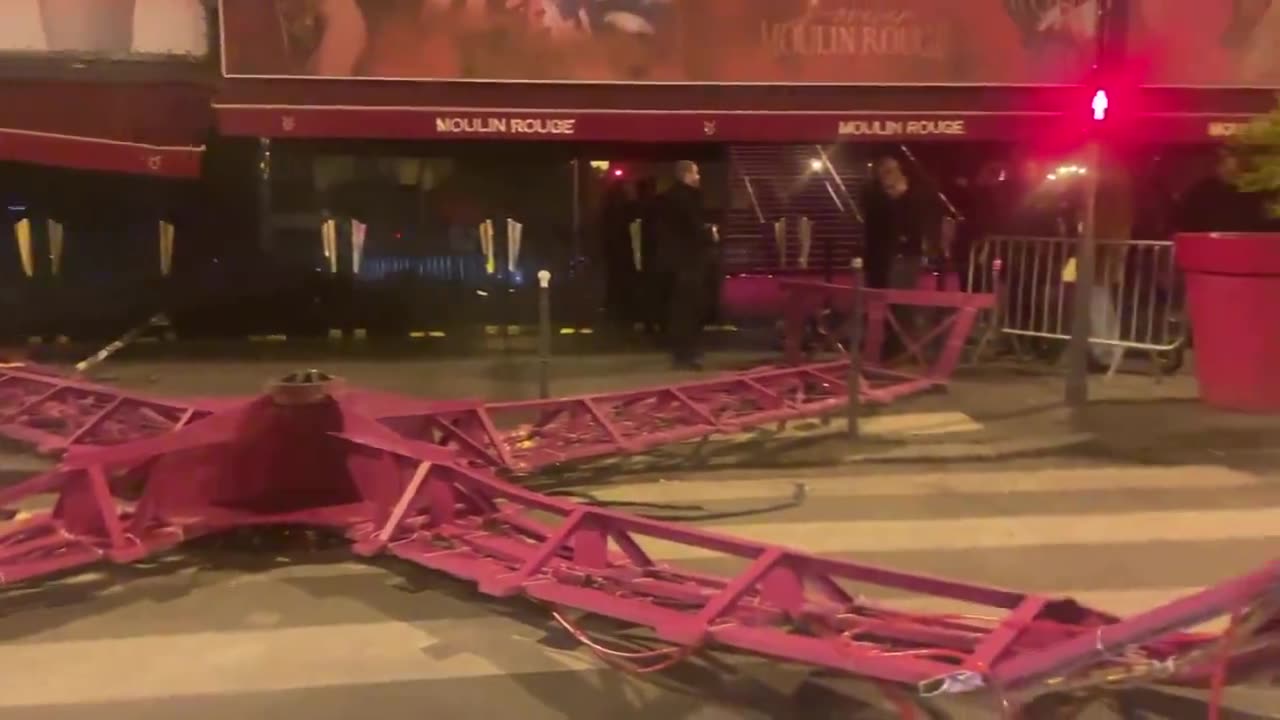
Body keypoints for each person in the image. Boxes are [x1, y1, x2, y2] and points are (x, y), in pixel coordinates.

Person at [656, 161, 715, 370]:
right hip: (689, 262)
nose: (699, 177)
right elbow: (693, 228)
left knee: (679, 309)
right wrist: (710, 233)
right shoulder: (687, 198)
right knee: (691, 308)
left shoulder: (667, 198)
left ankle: (679, 353)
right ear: (687, 175)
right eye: (696, 173)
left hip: (674, 262)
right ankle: (689, 354)